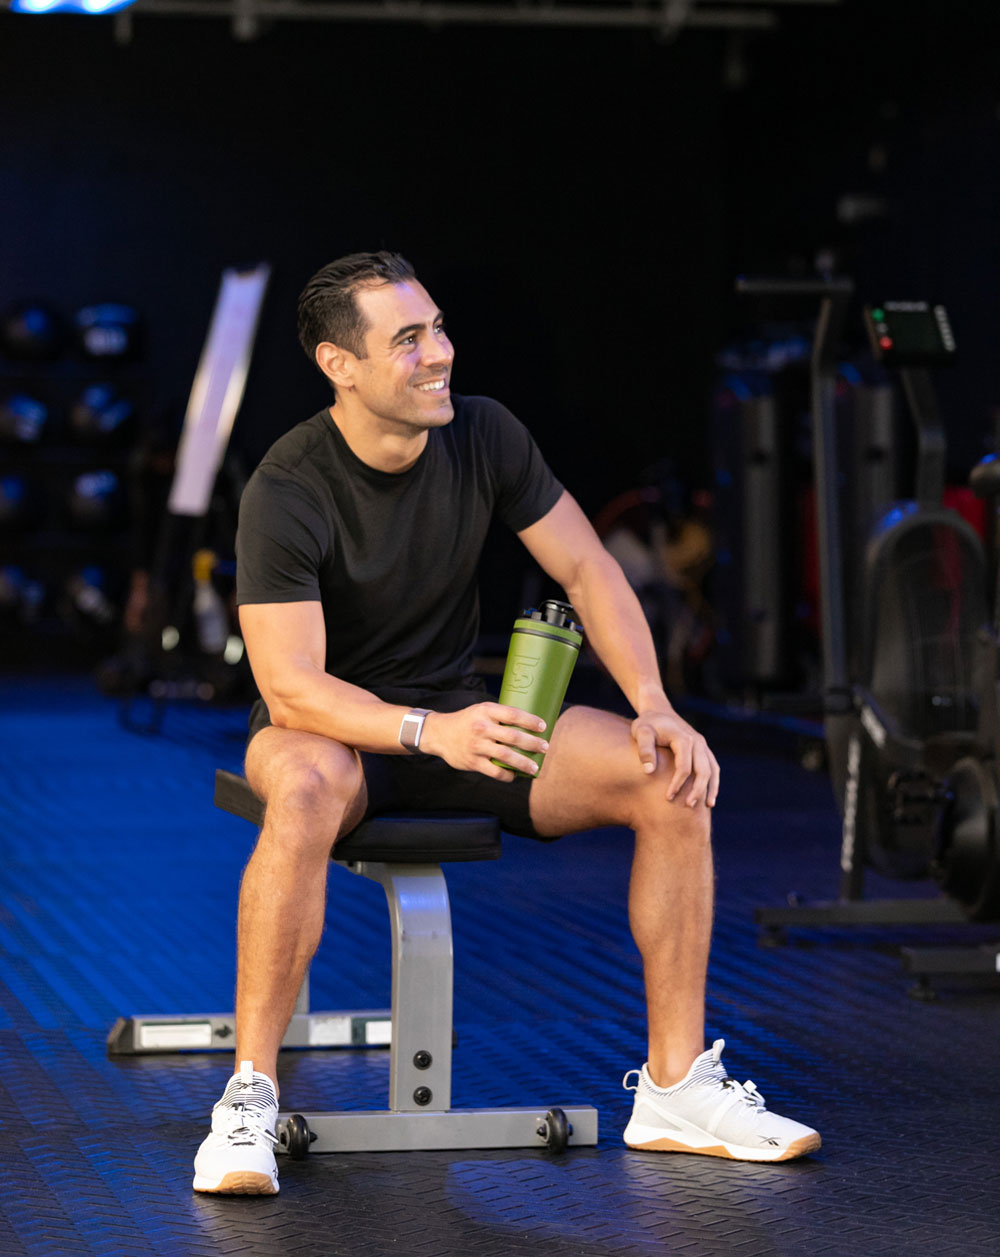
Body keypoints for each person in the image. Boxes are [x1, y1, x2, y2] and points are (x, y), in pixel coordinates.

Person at [192, 251, 820, 1195]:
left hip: (462, 718)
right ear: (339, 365)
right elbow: (292, 690)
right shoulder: (287, 486)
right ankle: (248, 1100)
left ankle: (677, 1088)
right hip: (335, 730)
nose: (440, 352)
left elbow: (588, 569)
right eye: (409, 339)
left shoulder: (484, 432)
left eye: (439, 328)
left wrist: (655, 704)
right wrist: (425, 730)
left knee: (668, 776)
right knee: (310, 779)